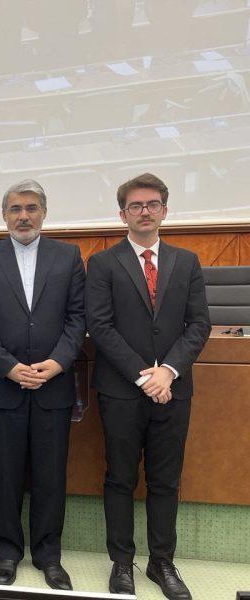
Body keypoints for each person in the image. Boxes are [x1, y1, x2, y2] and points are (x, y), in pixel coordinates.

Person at [86, 173, 210, 599]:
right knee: (120, 478)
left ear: (164, 211)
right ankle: (122, 562)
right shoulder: (103, 263)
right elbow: (100, 326)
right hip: (122, 390)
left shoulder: (187, 261)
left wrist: (168, 371)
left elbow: (199, 324)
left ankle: (162, 562)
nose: (144, 211)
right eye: (136, 206)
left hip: (174, 389)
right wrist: (144, 375)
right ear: (122, 214)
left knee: (165, 480)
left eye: (152, 204)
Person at [0, 180, 86, 590]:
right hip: (3, 387)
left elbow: (78, 317)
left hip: (53, 385)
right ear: (4, 216)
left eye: (31, 208)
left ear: (44, 213)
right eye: (15, 209)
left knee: (51, 477)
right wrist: (9, 367)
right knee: (4, 475)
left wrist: (57, 363)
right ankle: (7, 552)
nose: (23, 216)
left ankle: (49, 556)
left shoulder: (68, 256)